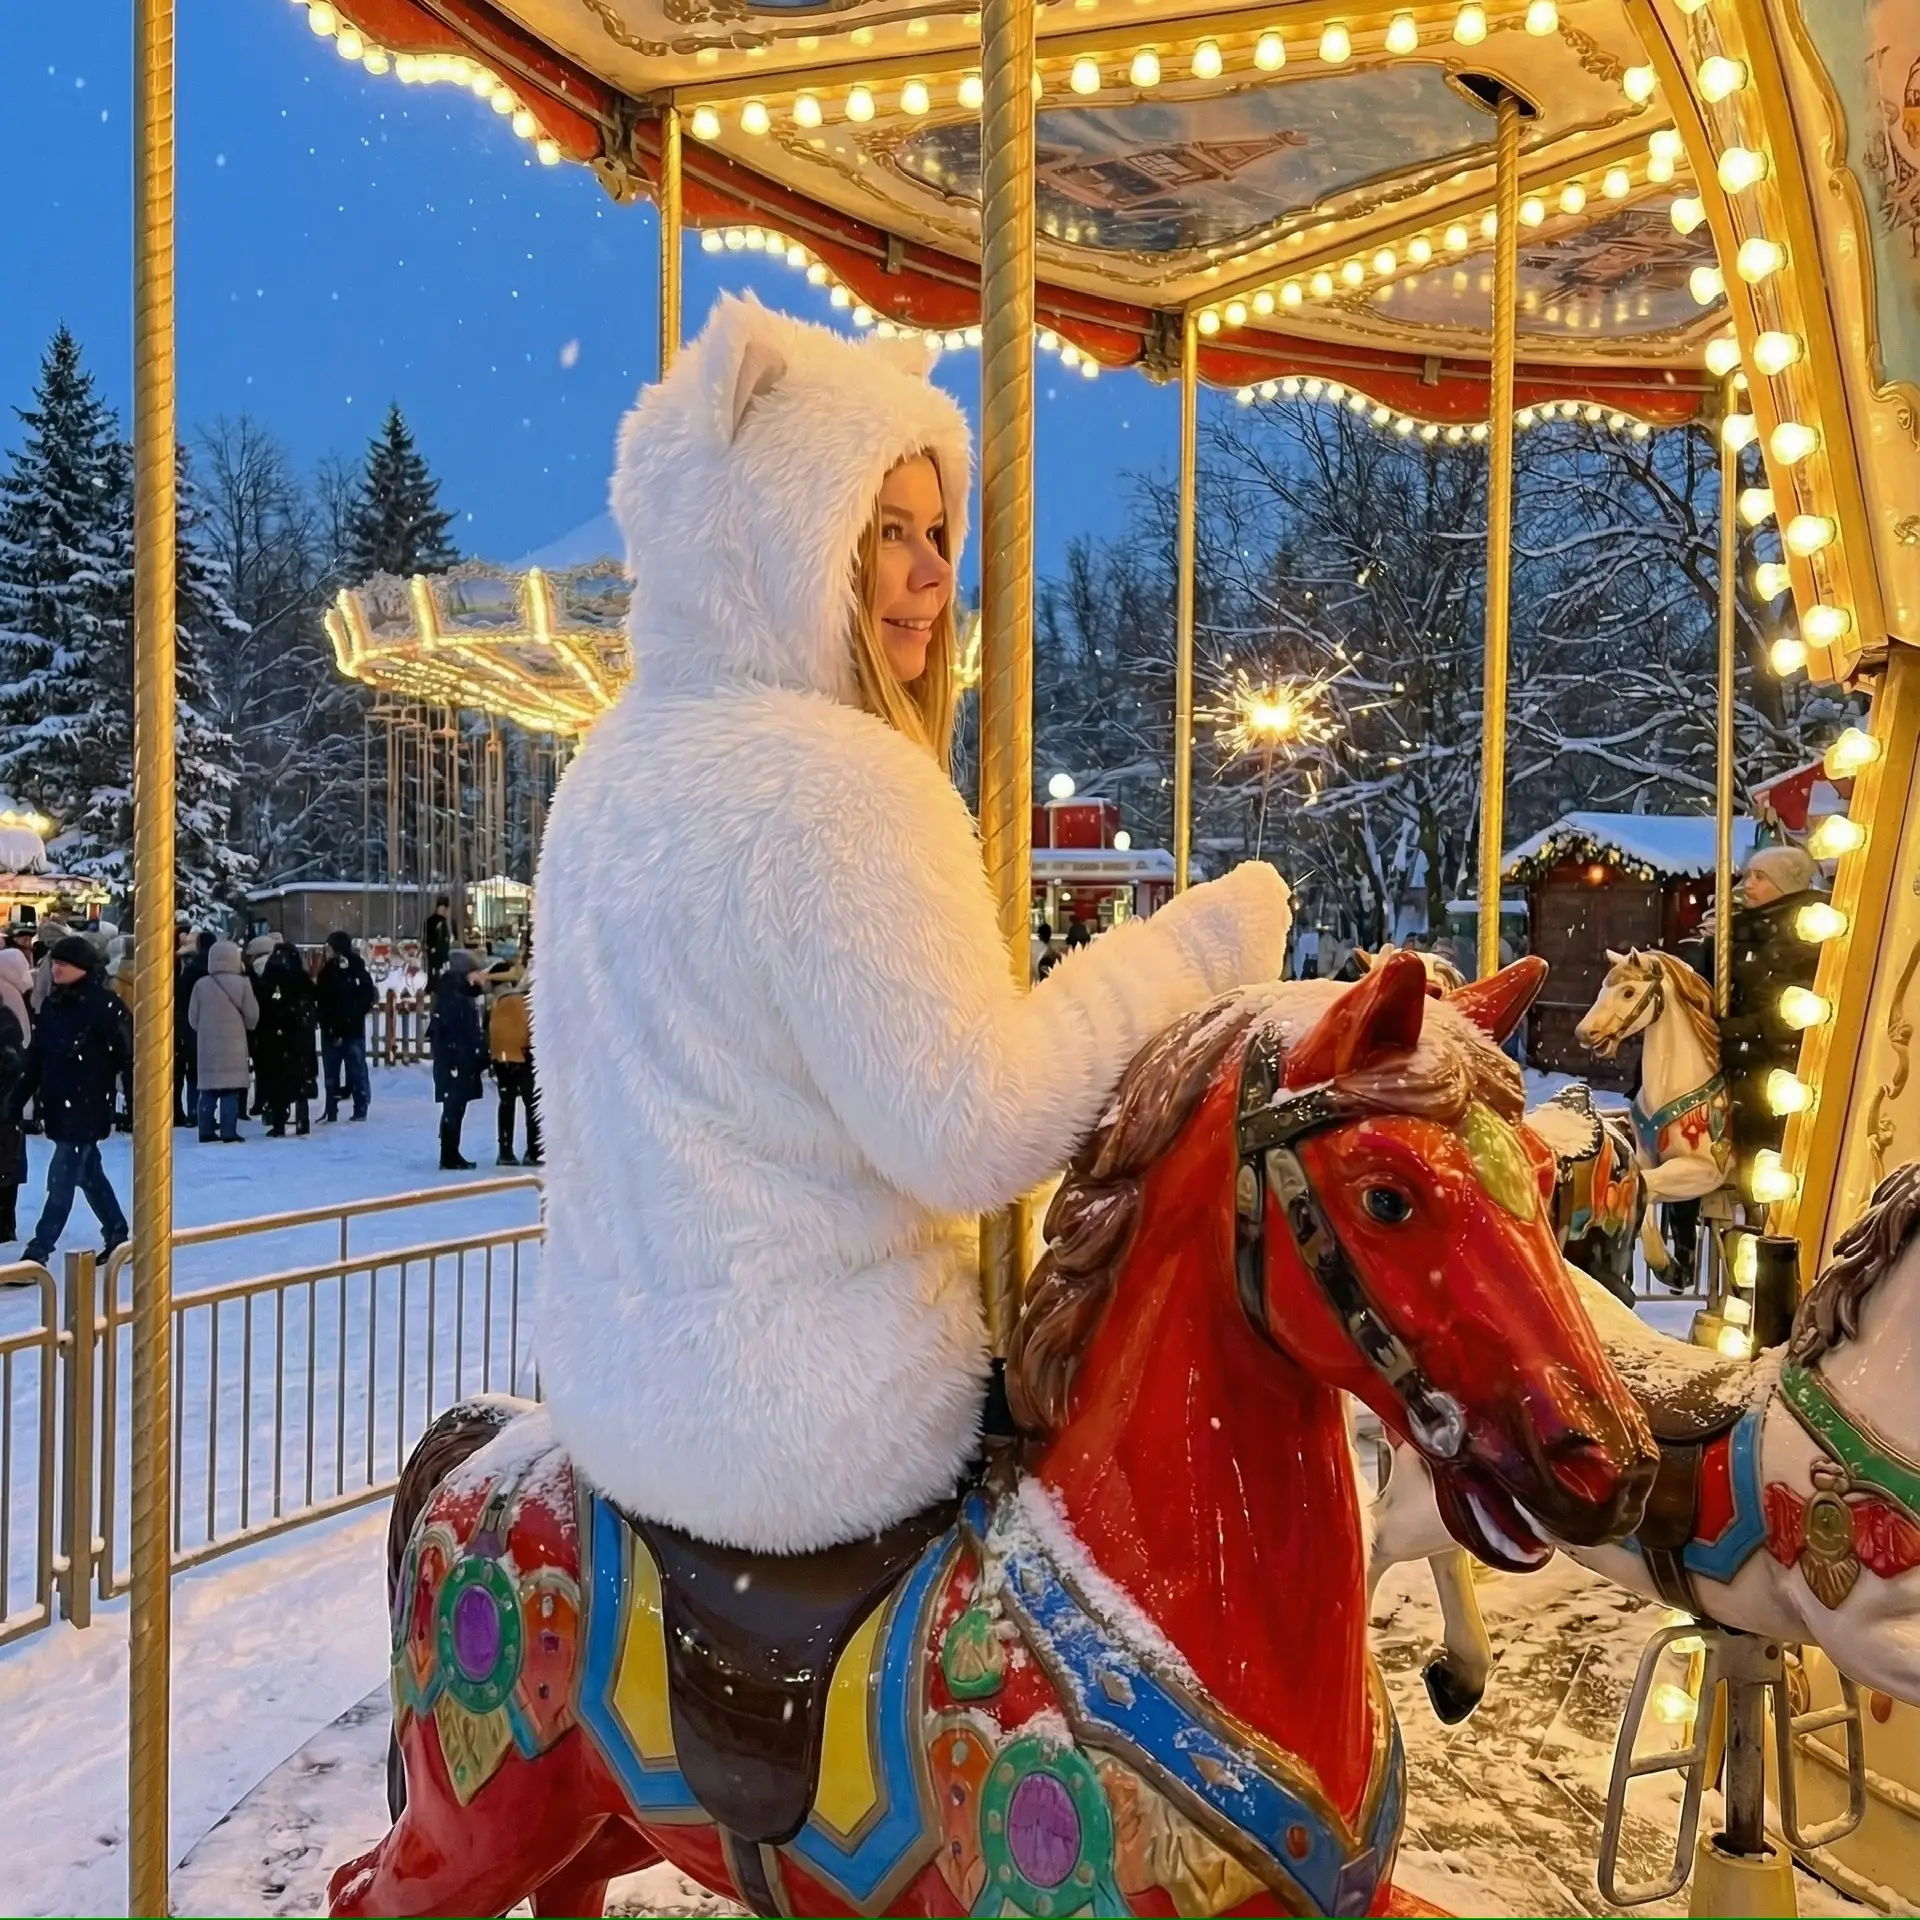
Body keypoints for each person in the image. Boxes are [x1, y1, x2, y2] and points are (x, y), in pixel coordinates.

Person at [534, 296, 1291, 1556]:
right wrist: (1188, 956)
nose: (938, 575)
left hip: (625, 1396)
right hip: (825, 1418)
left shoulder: (604, 773)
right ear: (777, 534)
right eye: (888, 532)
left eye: (939, 532)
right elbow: (972, 1127)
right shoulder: (835, 785)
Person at [1685, 842, 1826, 1164]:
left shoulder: (1803, 936)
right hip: (1733, 1057)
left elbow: (1785, 1008)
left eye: (1760, 877)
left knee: (1762, 1148)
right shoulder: (1737, 928)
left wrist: (1732, 1028)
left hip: (1773, 1060)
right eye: (1748, 875)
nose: (1748, 884)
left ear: (1786, 883)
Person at [11, 936, 131, 1266]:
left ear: (82, 967)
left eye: (63, 964)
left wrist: (135, 1102)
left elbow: (128, 1055)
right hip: (59, 1103)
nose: (56, 969)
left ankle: (38, 1251)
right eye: (55, 963)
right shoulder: (53, 1005)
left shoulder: (104, 1005)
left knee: (61, 1178)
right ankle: (117, 1231)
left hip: (88, 1105)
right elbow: (37, 1057)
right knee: (89, 1175)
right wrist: (17, 1099)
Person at [189, 939, 259, 1144]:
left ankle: (205, 1130)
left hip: (207, 1047)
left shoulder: (201, 985)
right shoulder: (243, 984)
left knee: (208, 1091)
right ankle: (229, 1131)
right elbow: (252, 1017)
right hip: (234, 1048)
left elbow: (193, 1019)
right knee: (230, 1090)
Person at [254, 941, 319, 1137]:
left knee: (277, 1081)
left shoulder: (268, 979)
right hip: (299, 1037)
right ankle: (302, 1120)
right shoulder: (301, 978)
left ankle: (278, 1122)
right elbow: (312, 1000)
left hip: (274, 1037)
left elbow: (261, 1006)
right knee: (299, 1080)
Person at [431, 951, 488, 1170]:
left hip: (456, 1060)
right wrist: (469, 1054)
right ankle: (449, 1155)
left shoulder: (456, 994)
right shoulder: (455, 998)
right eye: (475, 972)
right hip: (455, 1061)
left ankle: (451, 1153)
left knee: (455, 1108)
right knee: (453, 1108)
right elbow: (455, 1032)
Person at [316, 931, 376, 1122]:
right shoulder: (328, 972)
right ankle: (335, 1108)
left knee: (352, 1070)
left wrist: (353, 1015)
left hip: (347, 1029)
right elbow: (322, 999)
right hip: (338, 1029)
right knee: (338, 1071)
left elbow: (367, 995)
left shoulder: (354, 969)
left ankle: (358, 1107)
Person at [486, 959, 540, 1166]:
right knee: (532, 1104)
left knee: (506, 1103)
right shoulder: (524, 1001)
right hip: (523, 1056)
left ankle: (505, 1151)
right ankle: (533, 1151)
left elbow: (490, 1031)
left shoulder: (497, 1002)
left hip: (502, 1059)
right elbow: (531, 1030)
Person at [173, 925, 208, 1126]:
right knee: (194, 1072)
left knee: (186, 1072)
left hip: (183, 1025)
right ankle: (195, 1112)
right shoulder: (203, 972)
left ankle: (189, 1111)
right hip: (196, 1025)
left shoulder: (182, 974)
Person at [422, 897, 452, 991]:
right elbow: (442, 944)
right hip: (438, 962)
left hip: (431, 961)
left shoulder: (429, 921)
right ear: (443, 908)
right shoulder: (441, 923)